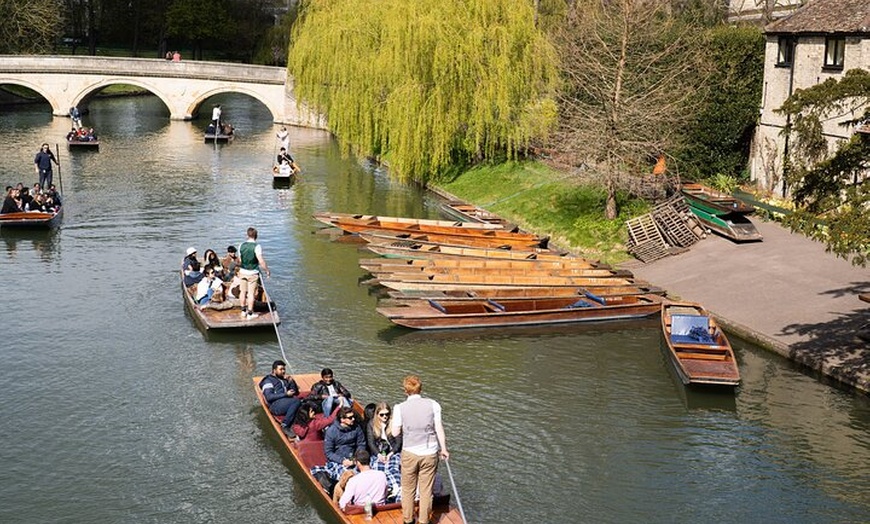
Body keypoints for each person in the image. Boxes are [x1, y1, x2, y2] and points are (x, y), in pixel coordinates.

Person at [392, 375, 449, 524]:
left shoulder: (399, 408)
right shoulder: (433, 404)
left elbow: (395, 432)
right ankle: (424, 521)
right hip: (430, 452)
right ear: (420, 389)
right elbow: (439, 428)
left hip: (410, 452)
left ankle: (408, 520)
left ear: (405, 390)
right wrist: (444, 449)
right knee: (426, 490)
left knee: (408, 489)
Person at [319, 406, 367, 481]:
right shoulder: (331, 431)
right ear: (342, 419)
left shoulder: (357, 428)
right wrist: (342, 461)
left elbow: (361, 444)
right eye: (350, 418)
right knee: (349, 477)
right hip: (338, 460)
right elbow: (328, 452)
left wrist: (356, 458)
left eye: (353, 416)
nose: (353, 419)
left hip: (353, 457)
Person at [366, 401, 402, 498]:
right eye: (382, 415)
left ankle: (396, 487)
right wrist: (379, 454)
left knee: (393, 468)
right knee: (378, 469)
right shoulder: (371, 424)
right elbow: (371, 443)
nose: (385, 417)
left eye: (387, 414)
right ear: (377, 414)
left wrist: (390, 454)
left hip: (392, 452)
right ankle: (385, 488)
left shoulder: (393, 423)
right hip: (378, 453)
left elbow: (398, 442)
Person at [258, 360, 302, 435]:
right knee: (296, 401)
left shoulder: (284, 380)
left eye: (284, 369)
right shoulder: (268, 381)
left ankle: (298, 425)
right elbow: (269, 397)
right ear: (274, 370)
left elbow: (296, 393)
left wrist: (292, 382)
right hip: (275, 405)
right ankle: (285, 425)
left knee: (305, 403)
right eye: (281, 369)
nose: (283, 371)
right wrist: (285, 394)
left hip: (286, 402)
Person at [238, 227, 270, 320]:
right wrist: (267, 270)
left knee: (242, 292)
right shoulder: (257, 246)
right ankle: (250, 313)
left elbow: (240, 260)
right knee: (251, 293)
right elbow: (261, 261)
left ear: (247, 235)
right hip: (252, 273)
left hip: (242, 271)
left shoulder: (241, 245)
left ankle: (243, 311)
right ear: (256, 236)